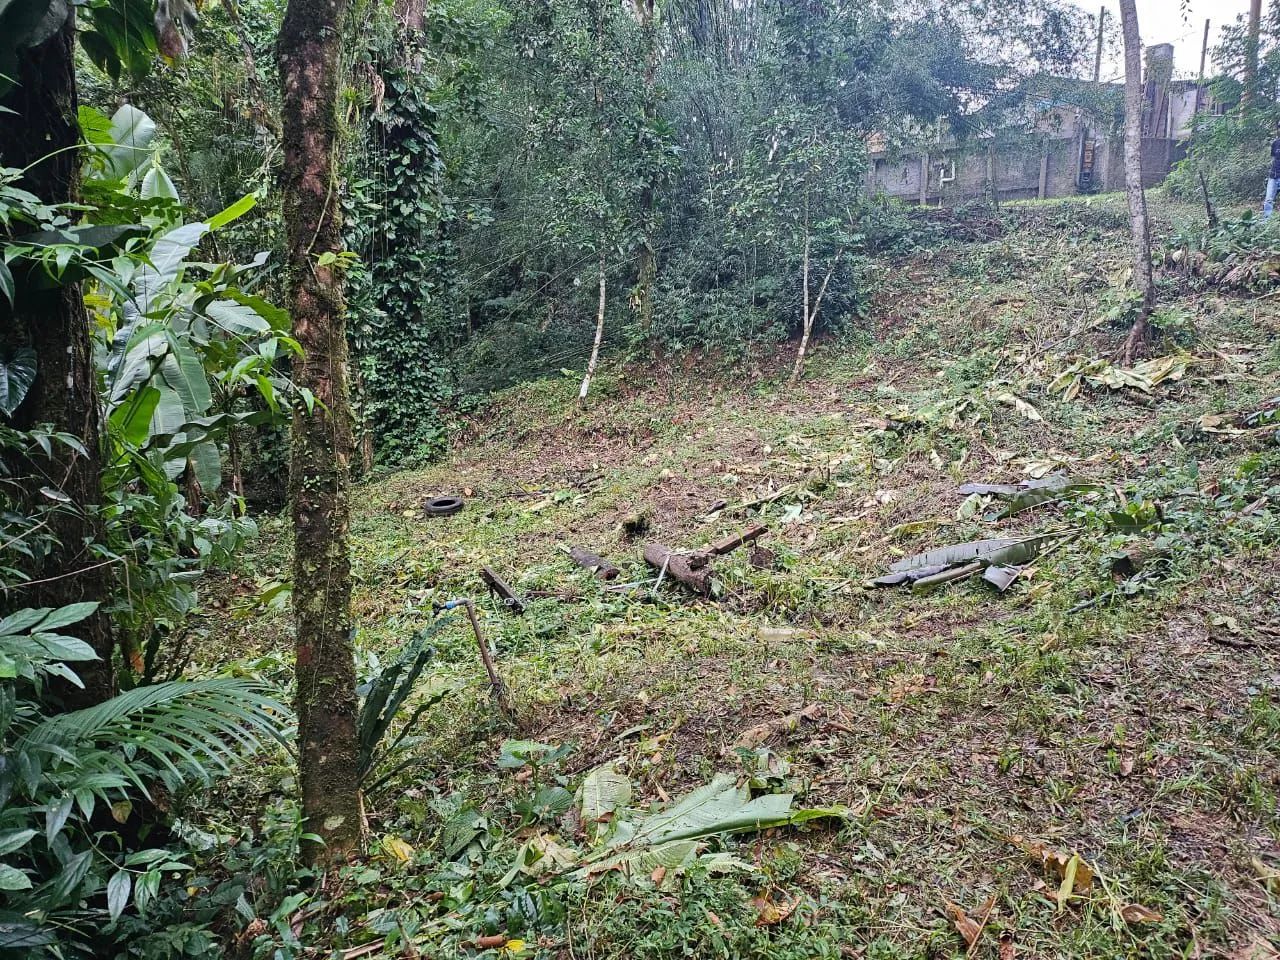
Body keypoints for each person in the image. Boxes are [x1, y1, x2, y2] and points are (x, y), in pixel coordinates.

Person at [1265, 130, 1280, 220]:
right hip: (1274, 176)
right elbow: (1273, 158)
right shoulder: (1275, 143)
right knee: (1268, 200)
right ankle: (1267, 221)